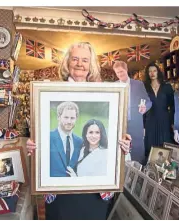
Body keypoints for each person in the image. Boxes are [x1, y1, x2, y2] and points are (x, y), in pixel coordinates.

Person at [26, 42, 131, 220]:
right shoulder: (50, 93)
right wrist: (34, 145)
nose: (79, 64)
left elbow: (104, 145)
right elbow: (42, 149)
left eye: (84, 60)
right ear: (67, 63)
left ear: (91, 66)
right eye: (75, 59)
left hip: (94, 193)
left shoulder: (106, 95)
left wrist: (121, 144)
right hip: (60, 194)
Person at [112, 61, 152, 164]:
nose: (120, 75)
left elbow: (148, 102)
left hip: (136, 124)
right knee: (121, 151)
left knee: (138, 151)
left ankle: (139, 175)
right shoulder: (114, 86)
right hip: (120, 124)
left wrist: (145, 108)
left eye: (121, 71)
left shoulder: (138, 84)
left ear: (126, 70)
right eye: (117, 73)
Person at [144, 62, 175, 160]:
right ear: (147, 74)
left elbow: (173, 106)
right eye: (150, 71)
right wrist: (143, 126)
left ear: (158, 72)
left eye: (154, 71)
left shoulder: (167, 87)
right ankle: (150, 172)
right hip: (150, 121)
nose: (152, 73)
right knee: (150, 147)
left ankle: (165, 172)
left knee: (165, 146)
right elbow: (141, 108)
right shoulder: (144, 88)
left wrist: (171, 121)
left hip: (164, 120)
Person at [50, 101, 83, 177]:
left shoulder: (80, 142)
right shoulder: (48, 138)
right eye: (66, 117)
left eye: (72, 118)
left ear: (76, 119)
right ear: (58, 117)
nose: (69, 121)